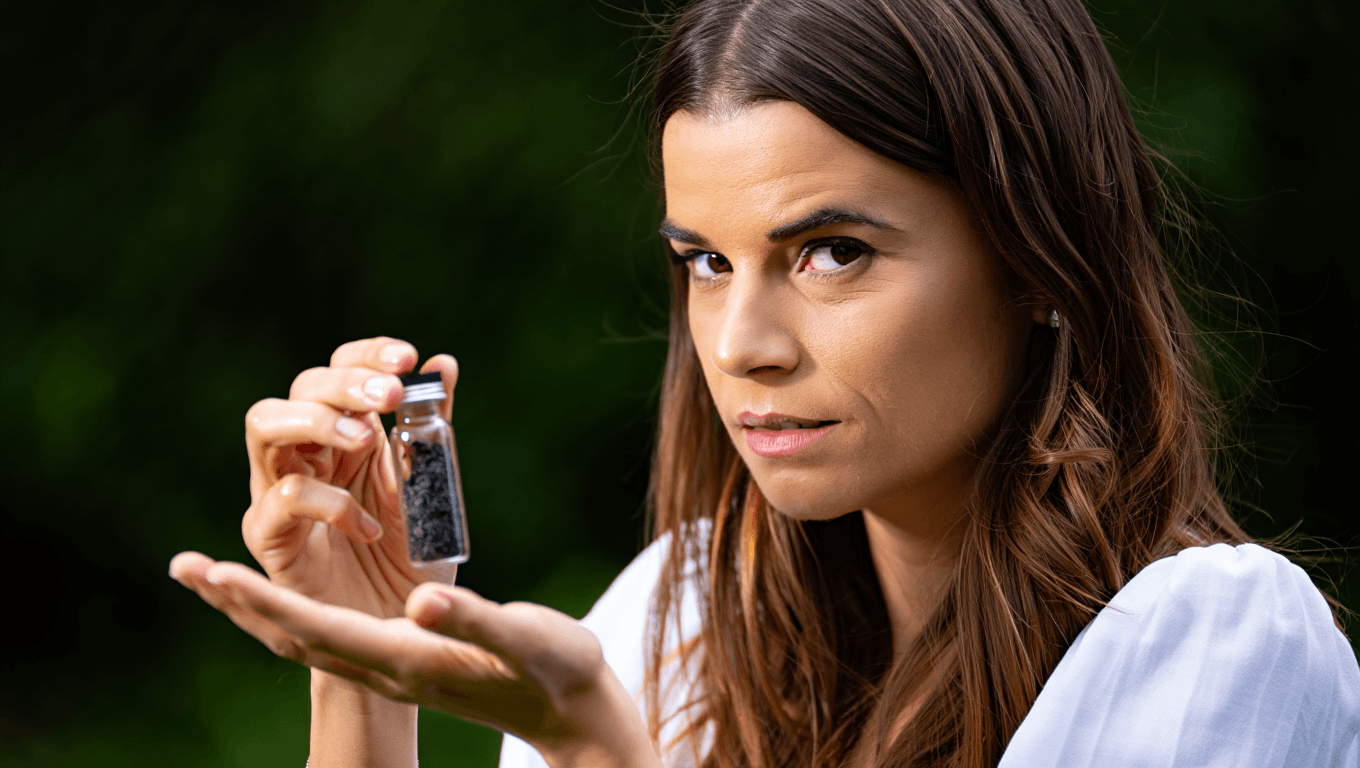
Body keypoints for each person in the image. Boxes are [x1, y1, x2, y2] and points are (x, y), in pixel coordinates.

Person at [168, 0, 1360, 765]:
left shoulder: (1217, 641)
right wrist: (363, 665)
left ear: (1038, 260)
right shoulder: (676, 623)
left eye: (831, 253)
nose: (740, 343)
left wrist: (600, 752)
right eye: (704, 262)